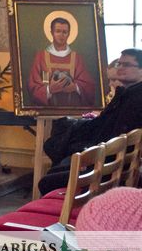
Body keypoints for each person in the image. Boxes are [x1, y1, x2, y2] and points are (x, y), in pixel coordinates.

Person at [39, 48, 142, 195]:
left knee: (47, 180)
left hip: (107, 169)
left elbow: (112, 136)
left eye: (126, 65)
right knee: (60, 160)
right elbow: (104, 124)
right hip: (111, 163)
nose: (120, 68)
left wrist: (89, 159)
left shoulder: (134, 100)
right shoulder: (127, 94)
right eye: (119, 64)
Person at [27, 16, 95, 107]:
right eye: (58, 31)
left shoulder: (76, 58)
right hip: (47, 112)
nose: (61, 35)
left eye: (64, 32)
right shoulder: (41, 57)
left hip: (73, 111)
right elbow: (33, 86)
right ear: (52, 32)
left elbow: (88, 86)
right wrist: (49, 89)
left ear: (69, 34)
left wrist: (75, 87)